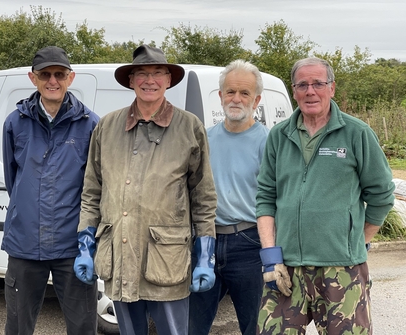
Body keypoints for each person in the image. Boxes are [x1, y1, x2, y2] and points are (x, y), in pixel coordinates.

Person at [73, 44, 217, 335]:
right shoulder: (107, 127)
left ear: (168, 80)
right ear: (130, 80)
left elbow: (203, 198)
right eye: (141, 73)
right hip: (118, 256)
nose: (149, 80)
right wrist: (85, 249)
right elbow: (91, 193)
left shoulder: (189, 127)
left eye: (157, 73)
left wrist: (205, 258)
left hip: (166, 261)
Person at [256, 57, 395, 334]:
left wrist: (358, 241)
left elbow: (381, 195)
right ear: (294, 91)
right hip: (287, 266)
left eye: (318, 83)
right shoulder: (278, 136)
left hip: (342, 269)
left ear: (331, 88)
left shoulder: (357, 134)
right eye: (302, 84)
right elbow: (266, 197)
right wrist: (271, 258)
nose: (310, 91)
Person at [2, 46, 99, 335]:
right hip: (24, 243)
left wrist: (88, 241)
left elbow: (95, 186)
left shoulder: (90, 124)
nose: (52, 81)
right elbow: (13, 179)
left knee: (83, 326)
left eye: (59, 74)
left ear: (71, 77)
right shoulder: (15, 122)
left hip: (73, 244)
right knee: (18, 325)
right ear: (33, 78)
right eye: (45, 75)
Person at [189, 60, 268, 335]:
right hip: (205, 243)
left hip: (248, 244)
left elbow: (277, 200)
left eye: (244, 93)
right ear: (220, 96)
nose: (236, 98)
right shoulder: (204, 139)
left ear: (256, 99)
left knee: (254, 326)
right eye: (230, 91)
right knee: (193, 326)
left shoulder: (268, 143)